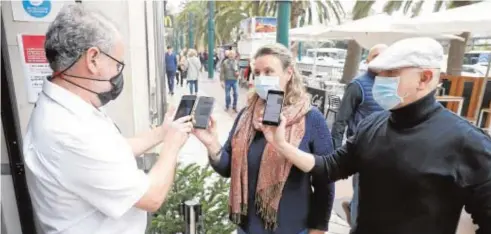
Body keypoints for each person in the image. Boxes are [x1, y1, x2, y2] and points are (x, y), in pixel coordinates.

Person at [256, 37, 491, 234]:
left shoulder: (467, 142)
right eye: (378, 73)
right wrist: (283, 145)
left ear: (425, 77)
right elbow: (330, 166)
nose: (380, 81)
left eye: (391, 73)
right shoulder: (372, 125)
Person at [23, 5, 193, 234]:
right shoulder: (67, 131)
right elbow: (151, 197)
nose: (118, 74)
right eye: (117, 64)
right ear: (93, 59)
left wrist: (163, 132)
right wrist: (171, 146)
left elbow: (114, 151)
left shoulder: (72, 107)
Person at [193, 43, 335, 234]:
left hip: (292, 229)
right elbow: (227, 168)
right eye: (257, 72)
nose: (262, 78)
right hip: (247, 229)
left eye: (269, 72)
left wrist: (318, 229)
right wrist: (211, 144)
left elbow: (326, 178)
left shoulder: (311, 119)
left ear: (288, 73)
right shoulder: (246, 115)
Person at [330, 44, 387, 226]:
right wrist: (335, 155)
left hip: (388, 149)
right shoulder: (358, 86)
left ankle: (354, 209)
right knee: (363, 191)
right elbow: (341, 120)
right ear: (367, 60)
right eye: (376, 55)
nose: (381, 59)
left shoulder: (392, 85)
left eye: (385, 56)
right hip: (364, 150)